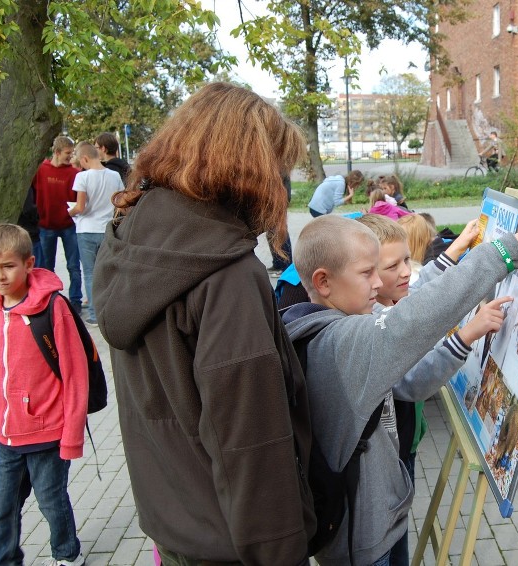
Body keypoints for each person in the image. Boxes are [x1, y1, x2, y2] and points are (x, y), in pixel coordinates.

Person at [92, 82, 315, 565]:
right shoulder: (228, 277)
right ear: (250, 169)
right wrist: (282, 553)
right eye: (278, 170)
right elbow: (253, 443)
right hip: (232, 542)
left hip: (174, 518)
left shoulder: (130, 232)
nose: (282, 185)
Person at [283, 212, 518, 565]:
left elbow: (411, 302)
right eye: (367, 273)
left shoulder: (335, 323)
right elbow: (415, 318)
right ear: (323, 282)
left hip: (375, 523)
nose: (377, 283)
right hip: (364, 544)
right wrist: (504, 253)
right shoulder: (340, 347)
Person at [0, 223, 88, 566]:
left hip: (48, 433)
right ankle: (5, 559)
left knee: (51, 500)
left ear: (29, 262)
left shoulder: (52, 308)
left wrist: (71, 437)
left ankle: (67, 552)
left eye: (8, 266)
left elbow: (75, 375)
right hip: (8, 436)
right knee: (2, 504)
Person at [67, 142, 124, 326]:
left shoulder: (82, 177)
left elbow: (81, 207)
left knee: (90, 274)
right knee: (110, 271)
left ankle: (94, 314)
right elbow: (120, 201)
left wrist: (70, 211)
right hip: (107, 229)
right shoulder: (114, 175)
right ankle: (113, 309)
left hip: (86, 230)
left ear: (84, 158)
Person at [33, 135, 83, 312]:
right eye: (68, 153)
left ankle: (76, 300)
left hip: (69, 225)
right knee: (47, 267)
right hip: (46, 226)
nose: (71, 156)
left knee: (73, 266)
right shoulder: (40, 171)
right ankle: (50, 300)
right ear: (57, 152)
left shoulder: (74, 174)